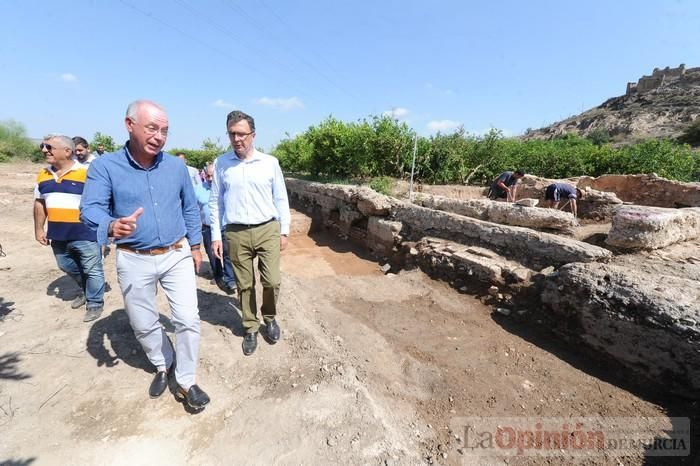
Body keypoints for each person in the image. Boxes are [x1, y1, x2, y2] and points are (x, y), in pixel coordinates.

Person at [80, 100, 210, 410]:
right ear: (129, 125)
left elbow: (190, 207)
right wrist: (111, 225)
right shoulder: (105, 166)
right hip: (133, 256)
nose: (159, 136)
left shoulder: (176, 167)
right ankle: (164, 362)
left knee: (188, 318)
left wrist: (195, 246)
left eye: (164, 130)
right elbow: (89, 210)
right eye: (152, 128)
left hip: (176, 252)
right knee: (143, 322)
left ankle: (187, 379)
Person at [209, 110, 290, 356]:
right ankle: (250, 327)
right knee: (245, 285)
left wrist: (284, 230)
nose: (237, 139)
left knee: (272, 280)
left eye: (242, 134)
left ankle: (270, 317)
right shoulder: (221, 164)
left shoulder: (269, 162)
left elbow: (280, 197)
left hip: (267, 228)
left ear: (253, 135)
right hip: (236, 232)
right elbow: (215, 202)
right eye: (232, 134)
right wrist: (215, 235)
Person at [34, 134, 105, 322]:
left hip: (85, 232)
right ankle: (86, 290)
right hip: (58, 233)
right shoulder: (43, 174)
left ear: (67, 151)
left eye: (49, 147)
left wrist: (106, 232)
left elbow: (101, 203)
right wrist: (39, 229)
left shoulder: (88, 173)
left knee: (93, 269)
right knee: (65, 264)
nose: (44, 150)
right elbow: (40, 203)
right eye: (43, 146)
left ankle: (95, 303)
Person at [194, 163, 237, 293]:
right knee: (212, 253)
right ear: (204, 175)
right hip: (207, 227)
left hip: (224, 226)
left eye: (213, 175)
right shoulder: (198, 189)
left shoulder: (225, 188)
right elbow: (193, 209)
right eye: (208, 175)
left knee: (227, 252)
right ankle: (218, 275)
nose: (211, 178)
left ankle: (230, 278)